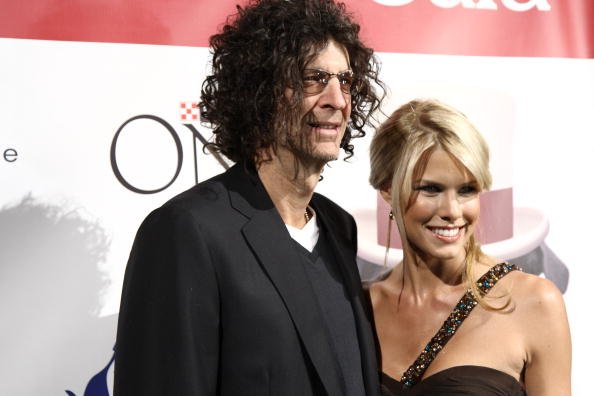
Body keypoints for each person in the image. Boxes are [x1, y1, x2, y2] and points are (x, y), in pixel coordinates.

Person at [114, 1, 384, 395]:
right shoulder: (188, 231)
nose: (337, 100)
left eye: (345, 81)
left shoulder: (339, 227)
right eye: (313, 78)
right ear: (262, 91)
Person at [368, 99, 571, 395]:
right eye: (431, 189)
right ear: (388, 189)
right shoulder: (357, 307)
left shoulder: (535, 302)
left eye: (467, 190)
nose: (452, 210)